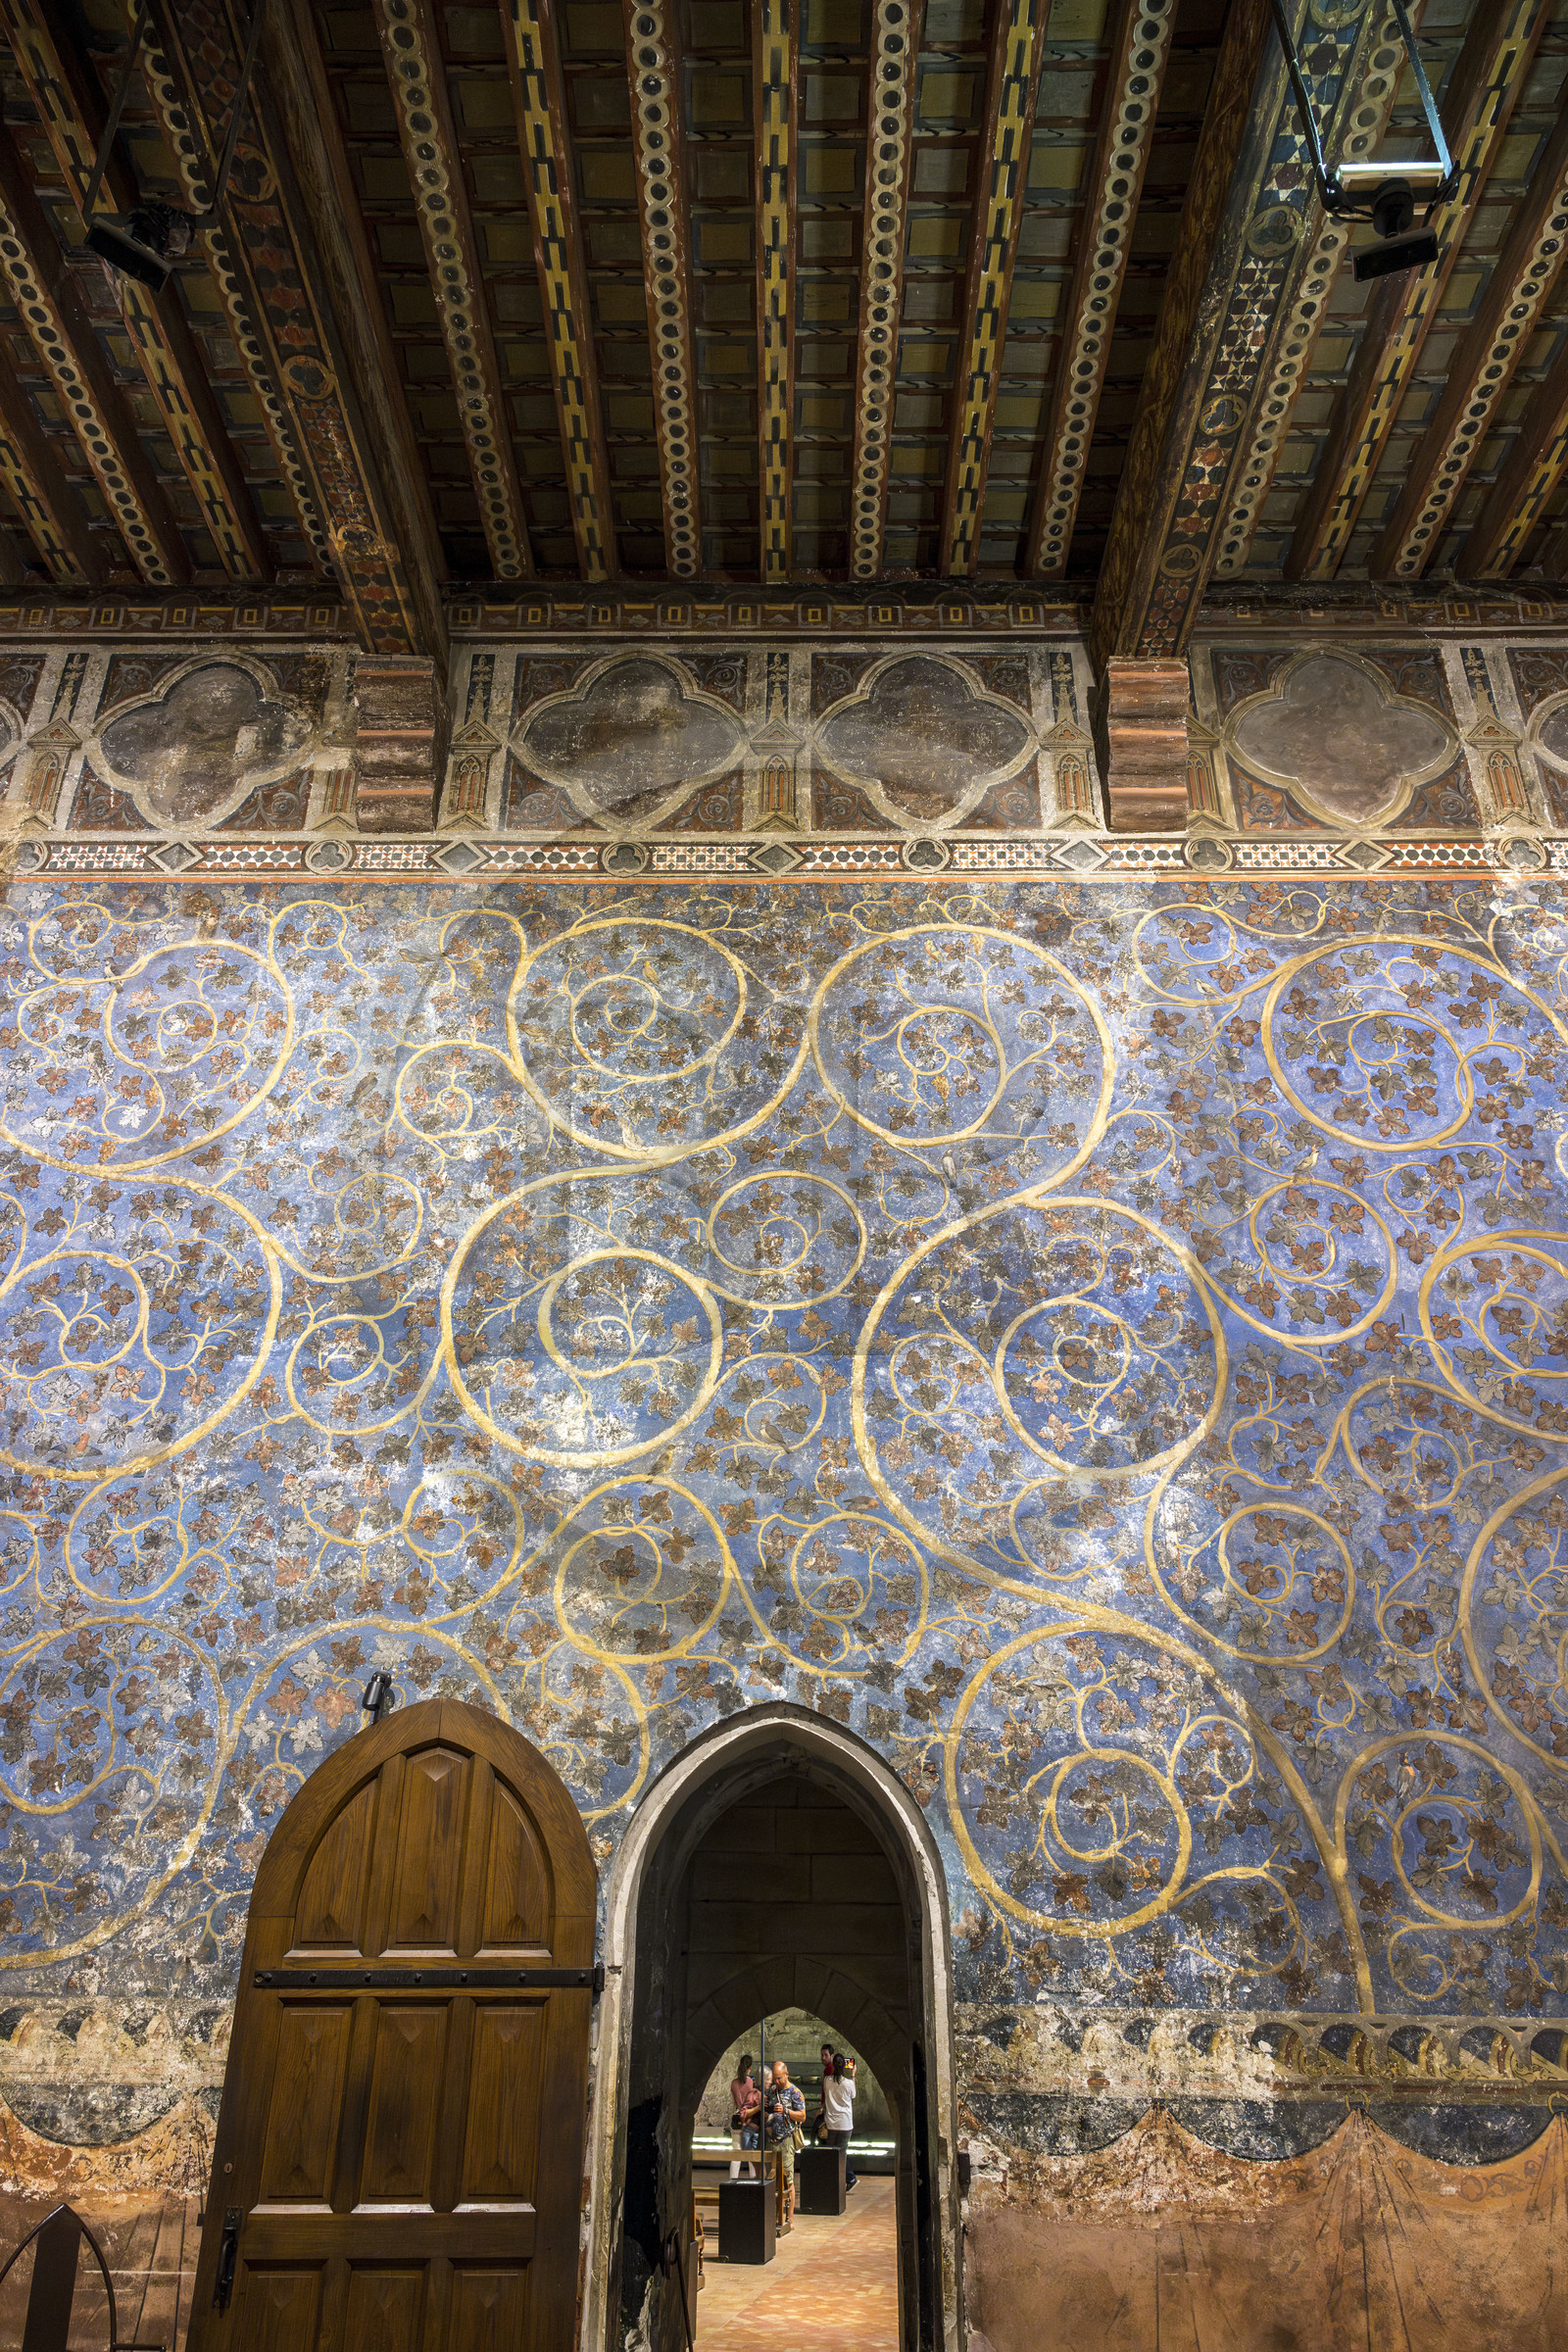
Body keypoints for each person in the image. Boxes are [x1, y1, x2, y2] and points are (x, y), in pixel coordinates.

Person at [765, 2058, 806, 2230]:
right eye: (775, 2078)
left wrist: (787, 2111)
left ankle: (790, 2218)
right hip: (772, 2141)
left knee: (788, 2180)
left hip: (787, 2140)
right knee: (773, 2180)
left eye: (779, 2078)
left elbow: (802, 2116)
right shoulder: (772, 2091)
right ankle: (776, 2215)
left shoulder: (795, 2092)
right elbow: (768, 2110)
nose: (777, 2081)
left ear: (786, 2074)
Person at [822, 2051, 858, 2190]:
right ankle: (849, 2178)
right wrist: (853, 2074)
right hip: (845, 2123)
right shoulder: (848, 2083)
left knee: (832, 2154)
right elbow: (853, 2095)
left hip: (831, 2123)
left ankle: (834, 2181)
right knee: (842, 2153)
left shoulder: (827, 2081)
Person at [729, 2053, 760, 2180]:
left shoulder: (734, 2083)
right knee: (751, 2155)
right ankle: (754, 2181)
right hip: (749, 2120)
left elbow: (736, 2101)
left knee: (736, 2156)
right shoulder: (751, 2082)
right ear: (750, 2067)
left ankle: (732, 2181)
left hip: (737, 2120)